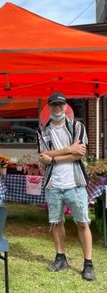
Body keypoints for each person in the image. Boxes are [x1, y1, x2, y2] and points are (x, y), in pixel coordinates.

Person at [38, 92, 94, 281]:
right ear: (49, 107)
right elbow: (42, 157)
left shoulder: (77, 127)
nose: (57, 107)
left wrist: (53, 157)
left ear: (66, 106)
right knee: (56, 221)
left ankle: (88, 263)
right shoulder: (43, 131)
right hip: (53, 184)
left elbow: (79, 154)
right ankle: (60, 257)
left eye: (60, 104)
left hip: (75, 183)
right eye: (53, 104)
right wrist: (68, 149)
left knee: (82, 222)